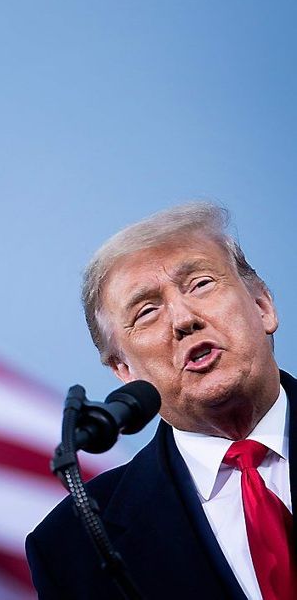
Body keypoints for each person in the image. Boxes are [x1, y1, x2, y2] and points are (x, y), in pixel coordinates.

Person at [26, 202, 294, 599]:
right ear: (123, 371)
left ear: (262, 307)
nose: (184, 319)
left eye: (201, 284)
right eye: (148, 311)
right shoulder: (72, 546)